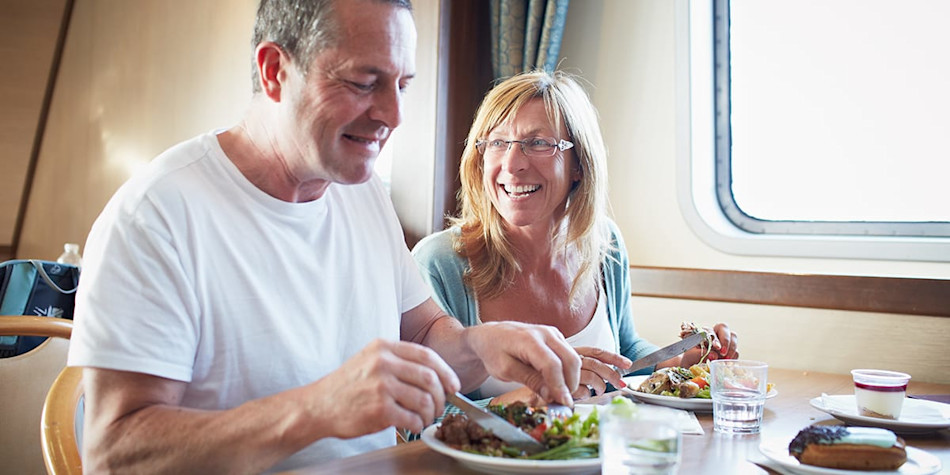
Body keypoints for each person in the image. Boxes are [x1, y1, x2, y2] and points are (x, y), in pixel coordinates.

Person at [67, 1, 583, 473]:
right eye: (364, 82)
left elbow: (424, 337)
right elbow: (114, 454)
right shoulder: (157, 215)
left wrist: (480, 345)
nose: (394, 116)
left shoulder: (361, 195)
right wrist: (315, 410)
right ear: (275, 72)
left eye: (402, 84)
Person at [412, 70, 739, 404]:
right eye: (497, 142)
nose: (512, 165)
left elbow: (625, 351)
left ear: (579, 164)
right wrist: (532, 398)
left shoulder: (604, 244)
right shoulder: (439, 263)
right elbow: (421, 423)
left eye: (537, 143)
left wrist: (680, 363)